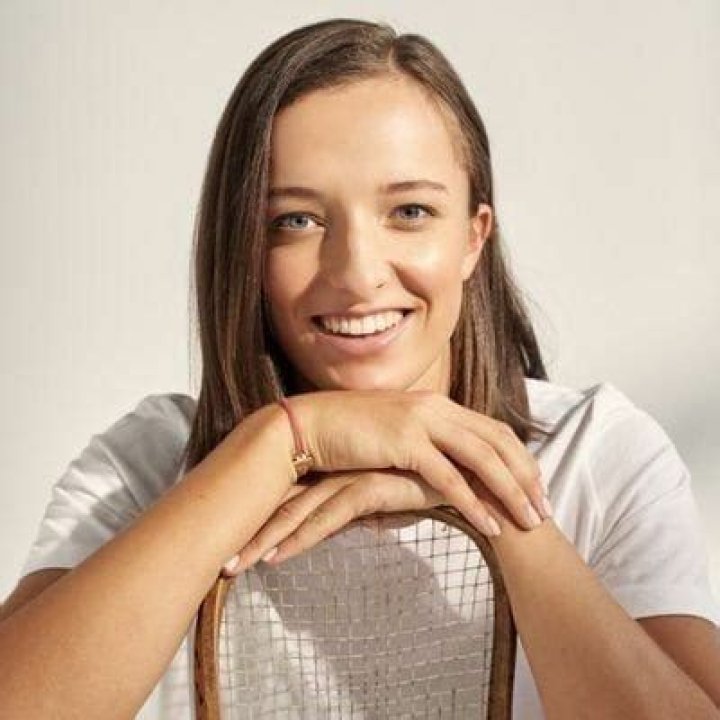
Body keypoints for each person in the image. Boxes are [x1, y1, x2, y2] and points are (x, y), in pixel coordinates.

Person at [1, 17, 719, 719]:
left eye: (410, 212)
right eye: (296, 220)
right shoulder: (147, 468)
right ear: (243, 249)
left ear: (474, 238)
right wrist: (285, 441)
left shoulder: (596, 455)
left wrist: (498, 507)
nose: (356, 273)